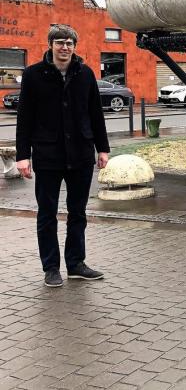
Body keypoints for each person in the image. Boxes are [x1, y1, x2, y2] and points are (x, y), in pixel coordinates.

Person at [15, 24, 110, 287]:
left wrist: (103, 148)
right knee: (47, 214)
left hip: (80, 153)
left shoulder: (86, 74)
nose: (64, 47)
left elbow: (96, 114)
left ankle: (76, 263)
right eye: (59, 42)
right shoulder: (34, 75)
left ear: (74, 46)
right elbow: (24, 119)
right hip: (48, 155)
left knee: (77, 212)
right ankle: (51, 268)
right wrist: (23, 156)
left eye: (69, 43)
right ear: (51, 45)